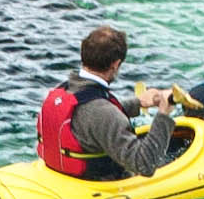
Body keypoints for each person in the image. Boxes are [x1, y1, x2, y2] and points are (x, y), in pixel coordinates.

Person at [38, 23, 190, 179]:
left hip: (63, 173)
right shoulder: (103, 112)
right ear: (116, 64)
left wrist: (137, 103)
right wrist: (164, 113)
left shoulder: (64, 90)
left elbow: (90, 117)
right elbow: (145, 165)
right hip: (101, 182)